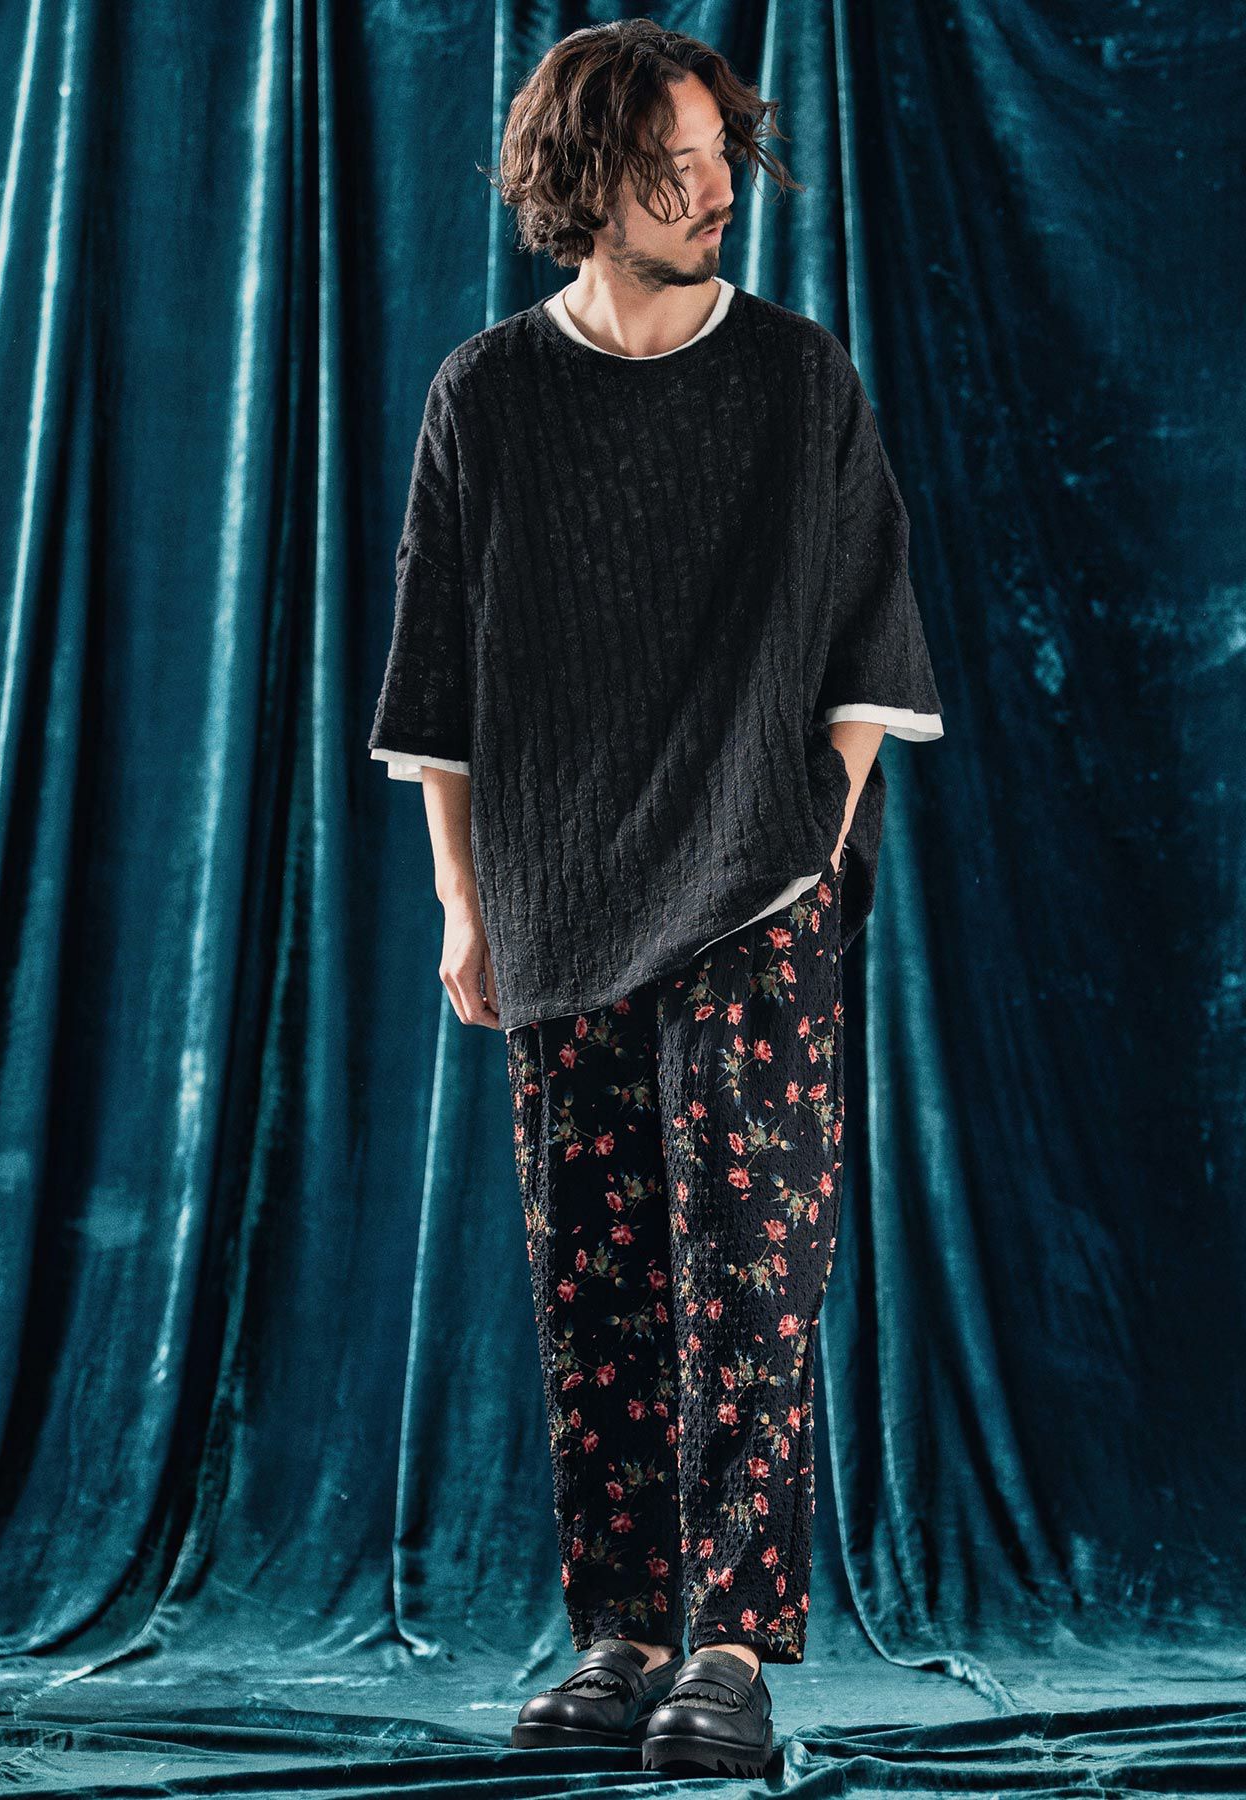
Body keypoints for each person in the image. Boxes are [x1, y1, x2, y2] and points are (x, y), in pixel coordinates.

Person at [368, 19, 943, 1779]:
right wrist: (466, 906)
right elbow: (436, 681)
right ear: (583, 186)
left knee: (751, 1284)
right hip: (556, 903)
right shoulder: (486, 396)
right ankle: (621, 1633)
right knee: (597, 1290)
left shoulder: (797, 379)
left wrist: (809, 840)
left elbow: (872, 638)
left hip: (755, 898)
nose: (713, 192)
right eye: (668, 166)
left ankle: (731, 1651)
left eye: (718, 156)